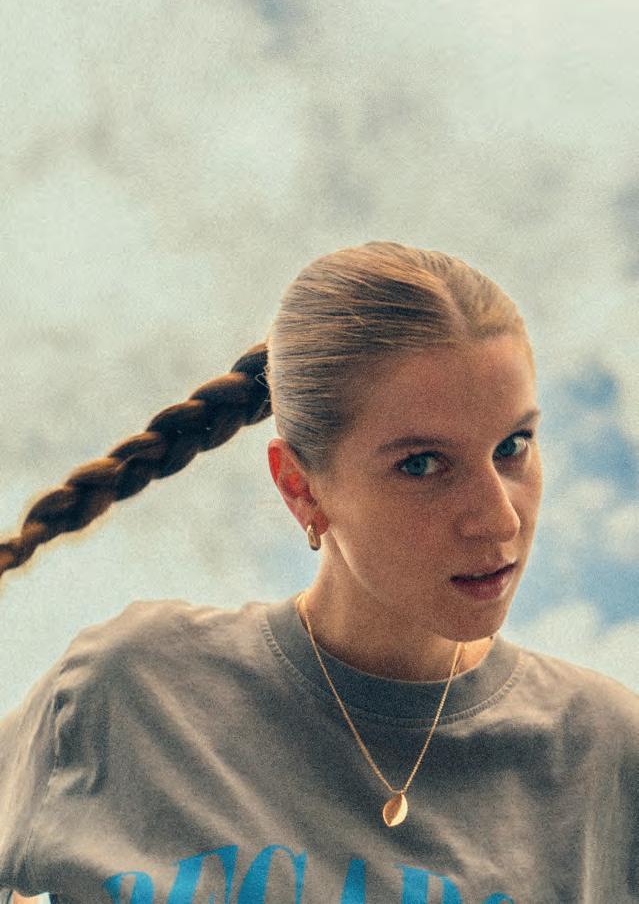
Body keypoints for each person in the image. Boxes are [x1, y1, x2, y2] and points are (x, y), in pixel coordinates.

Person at [0, 241, 636, 904]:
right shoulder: (127, 689)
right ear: (300, 489)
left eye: (512, 447)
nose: (498, 519)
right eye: (421, 464)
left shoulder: (606, 754)